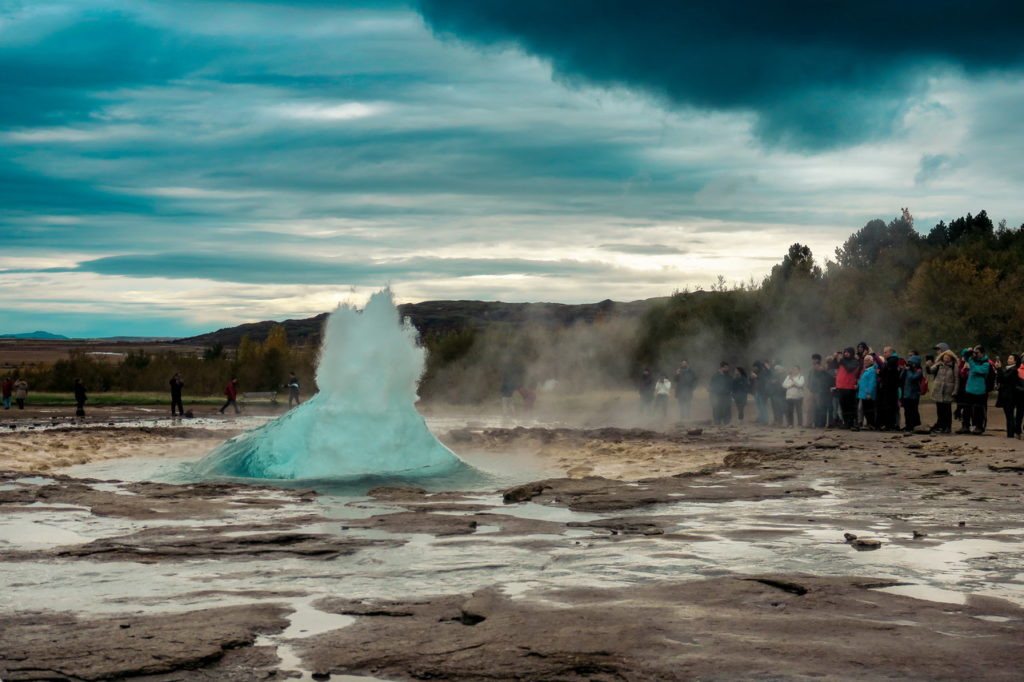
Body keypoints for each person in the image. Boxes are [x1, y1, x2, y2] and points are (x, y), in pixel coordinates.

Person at [959, 346, 991, 435]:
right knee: (966, 409)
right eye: (975, 353)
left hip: (980, 390)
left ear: (982, 353)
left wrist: (971, 360)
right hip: (969, 389)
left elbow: (977, 370)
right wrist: (968, 351)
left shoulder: (986, 363)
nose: (975, 354)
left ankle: (978, 426)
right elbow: (963, 354)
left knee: (978, 410)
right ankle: (965, 426)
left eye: (977, 353)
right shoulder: (972, 359)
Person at [927, 349, 959, 434]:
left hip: (948, 391)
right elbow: (930, 371)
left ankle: (947, 427)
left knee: (947, 410)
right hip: (938, 390)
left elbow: (957, 378)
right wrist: (928, 366)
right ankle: (941, 426)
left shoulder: (954, 366)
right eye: (945, 357)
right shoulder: (938, 364)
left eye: (948, 357)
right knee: (940, 410)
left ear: (951, 358)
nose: (946, 359)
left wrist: (955, 390)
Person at [994, 354, 1021, 439]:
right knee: (1008, 415)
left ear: (1015, 361)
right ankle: (1010, 432)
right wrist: (998, 370)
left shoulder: (1014, 370)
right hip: (1005, 394)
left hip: (1010, 395)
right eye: (1008, 358)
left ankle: (1011, 433)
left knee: (1009, 415)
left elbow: (1005, 378)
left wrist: (999, 368)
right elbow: (1000, 379)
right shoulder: (1007, 369)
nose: (1008, 359)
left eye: (1011, 358)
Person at [835, 347, 862, 429]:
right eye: (845, 352)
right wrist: (835, 358)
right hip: (841, 387)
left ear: (852, 353)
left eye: (848, 352)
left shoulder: (854, 361)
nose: (846, 353)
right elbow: (833, 366)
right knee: (843, 407)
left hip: (849, 387)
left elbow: (850, 369)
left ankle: (852, 423)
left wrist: (842, 361)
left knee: (850, 406)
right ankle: (846, 423)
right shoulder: (843, 361)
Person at [876, 348, 902, 431]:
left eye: (886, 352)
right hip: (890, 387)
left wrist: (879, 372)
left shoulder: (892, 360)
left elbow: (884, 371)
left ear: (891, 352)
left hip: (890, 387)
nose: (884, 354)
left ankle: (890, 425)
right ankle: (890, 424)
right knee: (890, 406)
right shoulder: (891, 360)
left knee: (890, 407)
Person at [808, 354, 833, 428]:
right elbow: (810, 379)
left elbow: (825, 378)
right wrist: (809, 387)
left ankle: (821, 423)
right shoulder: (811, 369)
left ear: (819, 360)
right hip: (813, 390)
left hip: (820, 390)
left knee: (821, 407)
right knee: (814, 408)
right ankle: (815, 423)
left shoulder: (822, 368)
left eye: (815, 359)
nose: (814, 360)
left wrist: (819, 370)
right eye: (813, 359)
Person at [902, 356, 924, 431]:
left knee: (913, 411)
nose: (909, 364)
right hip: (906, 394)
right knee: (907, 411)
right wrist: (904, 370)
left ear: (916, 364)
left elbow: (912, 378)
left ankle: (916, 425)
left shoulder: (919, 371)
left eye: (911, 363)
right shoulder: (908, 370)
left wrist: (908, 371)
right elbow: (901, 377)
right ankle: (908, 425)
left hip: (914, 395)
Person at [857, 356, 878, 429]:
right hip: (863, 394)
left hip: (868, 394)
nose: (865, 362)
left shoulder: (872, 371)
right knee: (866, 410)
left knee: (869, 410)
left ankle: (871, 424)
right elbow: (864, 381)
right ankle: (869, 424)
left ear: (871, 362)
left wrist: (869, 393)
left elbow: (872, 383)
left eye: (867, 360)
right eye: (865, 360)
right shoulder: (866, 370)